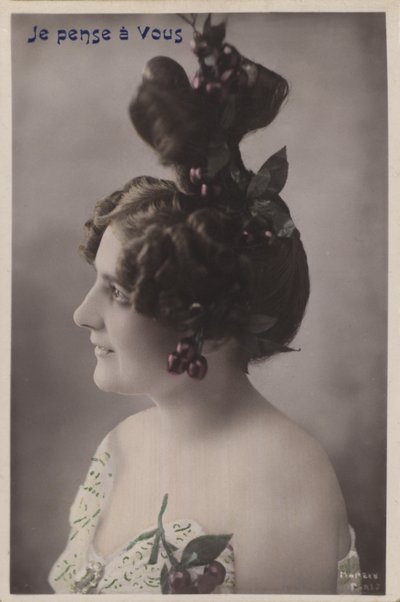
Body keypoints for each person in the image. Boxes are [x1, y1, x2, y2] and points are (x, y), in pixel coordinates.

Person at [48, 15, 361, 595]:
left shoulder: (285, 484)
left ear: (204, 317)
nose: (82, 314)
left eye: (117, 291)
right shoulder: (121, 445)